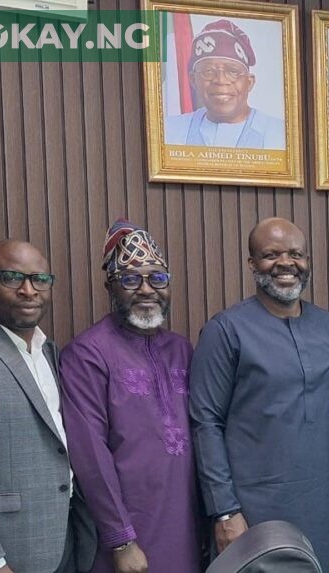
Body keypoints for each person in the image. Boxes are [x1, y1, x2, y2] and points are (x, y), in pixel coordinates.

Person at [189, 217, 329, 573]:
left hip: (327, 508)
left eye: (296, 254)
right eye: (271, 254)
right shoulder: (226, 330)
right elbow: (206, 422)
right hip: (255, 510)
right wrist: (225, 510)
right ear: (252, 264)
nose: (286, 263)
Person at [59, 220, 201, 573]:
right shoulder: (87, 353)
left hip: (185, 521)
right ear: (111, 287)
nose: (146, 289)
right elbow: (89, 452)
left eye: (157, 278)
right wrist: (120, 538)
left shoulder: (182, 349)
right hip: (128, 531)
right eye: (130, 279)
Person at [0, 240, 96, 573]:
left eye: (39, 279)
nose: (28, 290)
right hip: (4, 554)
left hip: (65, 542)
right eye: (11, 277)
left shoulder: (51, 352)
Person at [164, 19, 285, 149]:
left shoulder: (280, 134)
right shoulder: (169, 131)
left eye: (233, 72)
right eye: (208, 71)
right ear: (193, 80)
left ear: (249, 82)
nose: (221, 80)